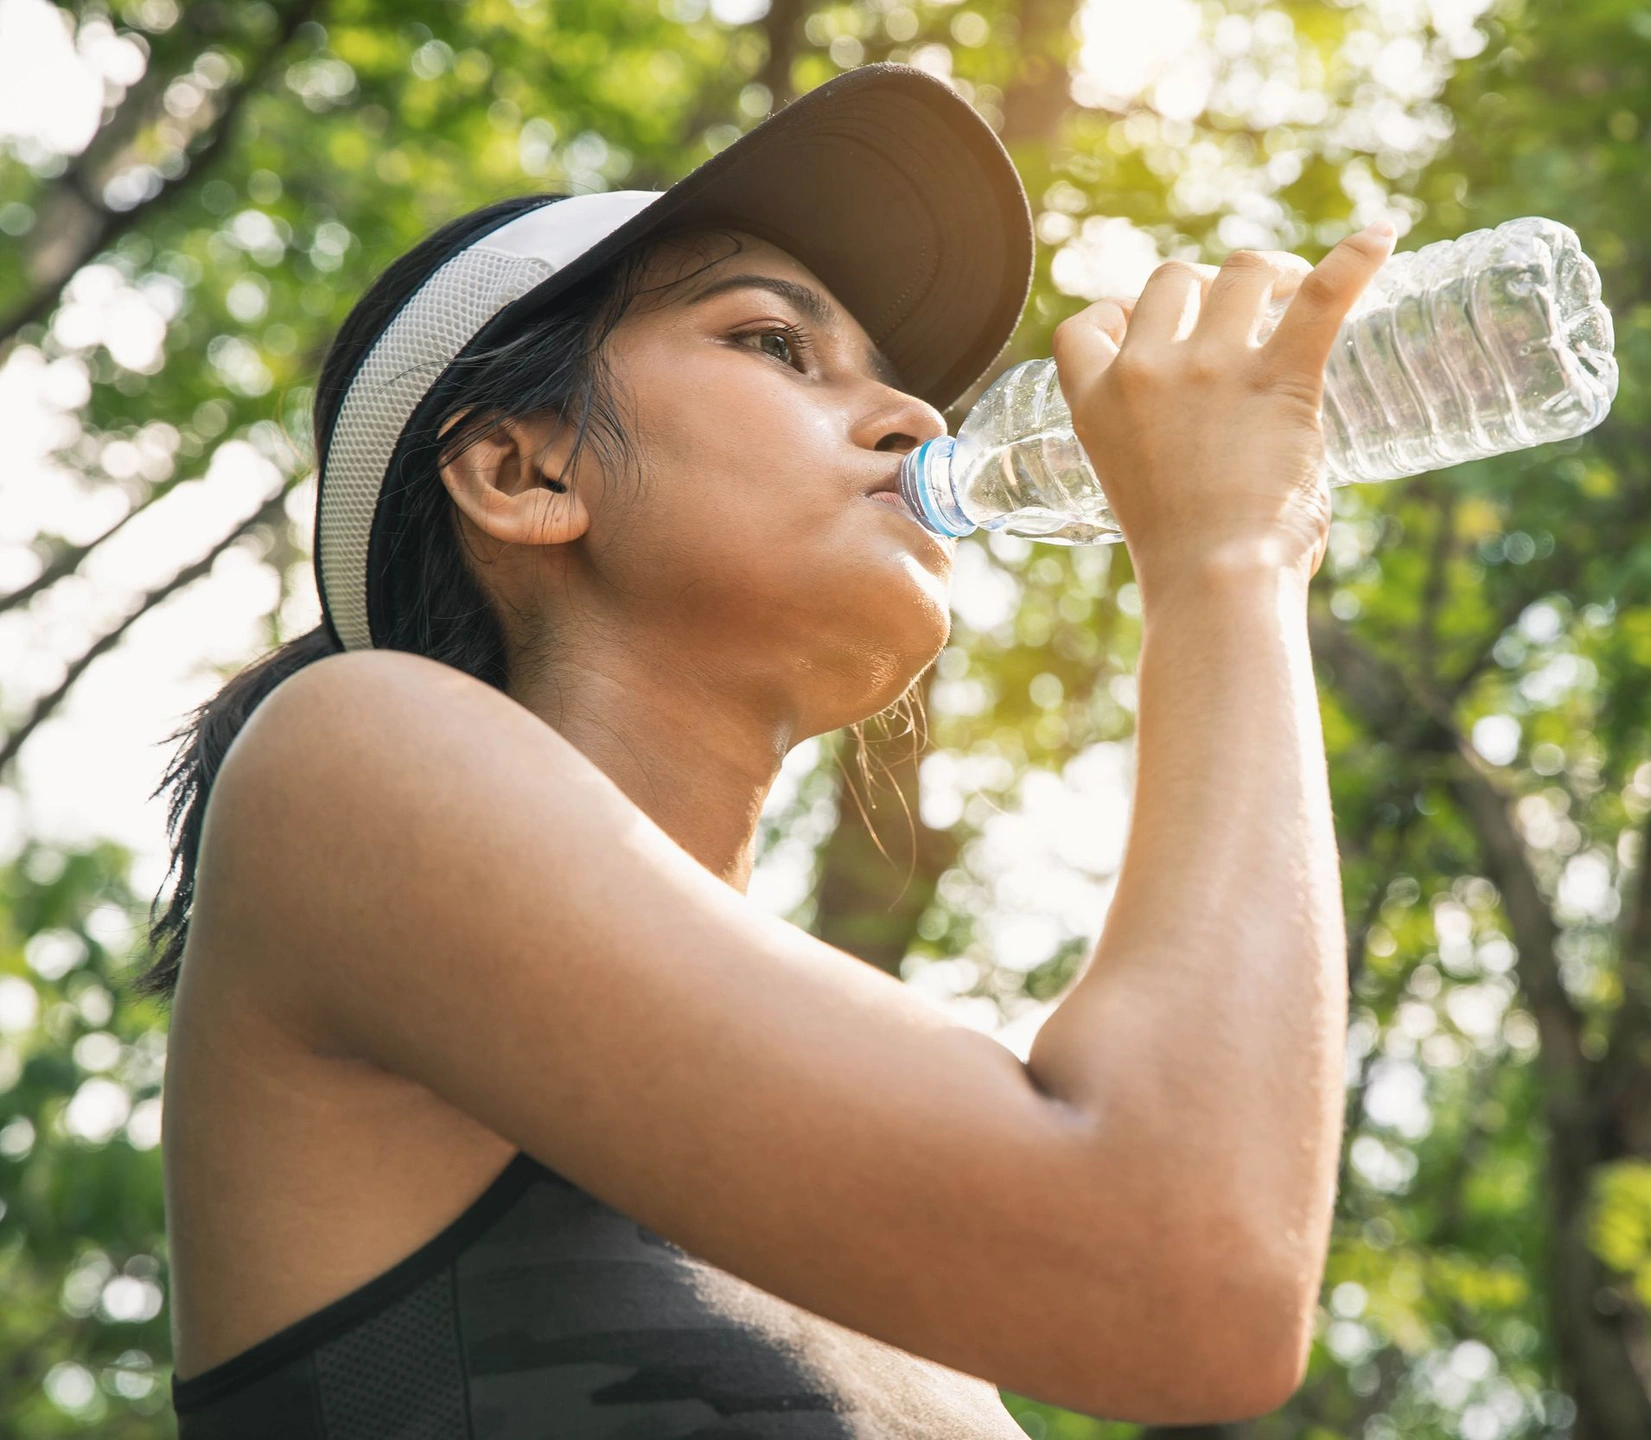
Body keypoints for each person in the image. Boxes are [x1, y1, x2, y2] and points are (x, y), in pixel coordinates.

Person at [149, 62, 1396, 1438]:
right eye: (773, 344)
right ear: (523, 473)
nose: (919, 418)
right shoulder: (345, 757)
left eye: (895, 377)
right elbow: (1194, 1276)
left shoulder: (881, 1235)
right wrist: (1228, 560)